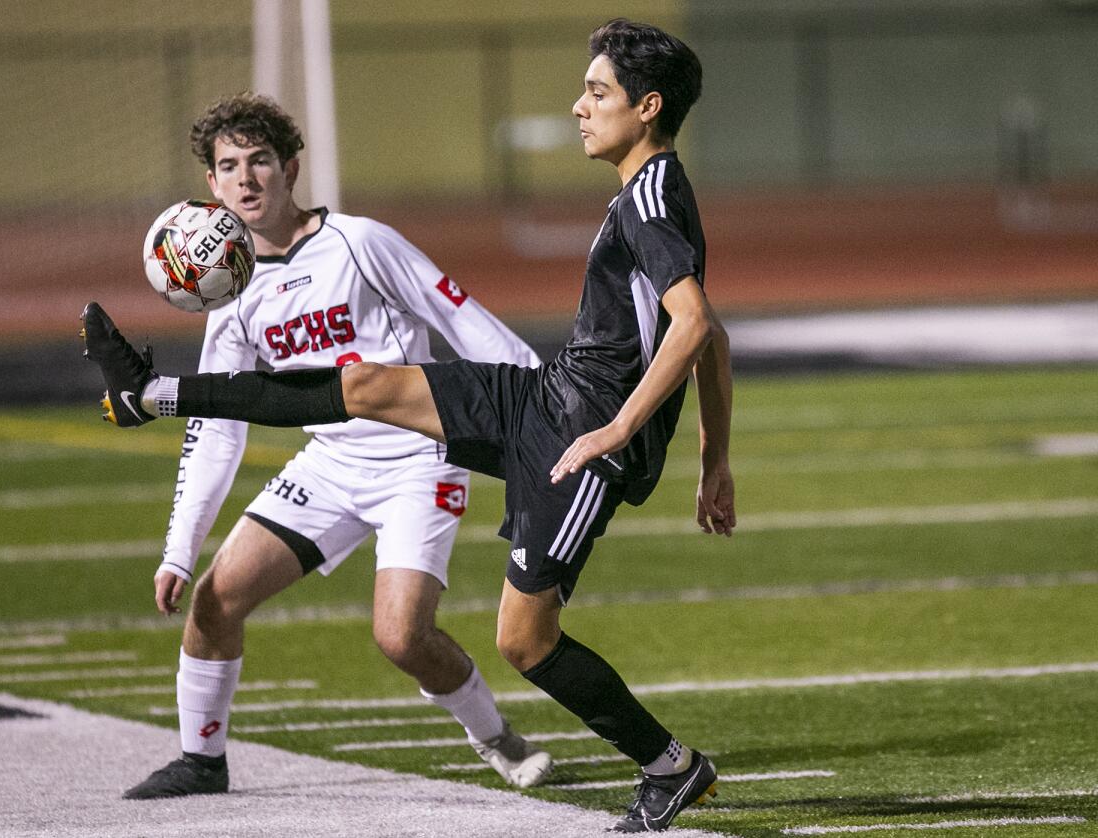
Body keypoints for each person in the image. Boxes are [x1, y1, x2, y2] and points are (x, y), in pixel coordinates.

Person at [85, 19, 735, 832]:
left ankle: (668, 766)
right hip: (551, 400)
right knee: (363, 386)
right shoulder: (649, 193)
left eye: (596, 91)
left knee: (524, 642)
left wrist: (616, 433)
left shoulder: (642, 201)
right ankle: (154, 394)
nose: (578, 106)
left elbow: (695, 323)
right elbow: (713, 334)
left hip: (578, 431)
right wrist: (715, 460)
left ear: (646, 107)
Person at [114, 92, 551, 800]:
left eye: (260, 161)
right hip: (328, 465)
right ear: (212, 187)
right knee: (216, 600)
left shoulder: (360, 242)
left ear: (290, 168)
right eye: (230, 166)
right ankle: (201, 760)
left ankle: (495, 736)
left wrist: (541, 403)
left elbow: (459, 316)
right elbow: (218, 425)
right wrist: (177, 549)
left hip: (416, 458)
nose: (247, 179)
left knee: (401, 637)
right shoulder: (229, 289)